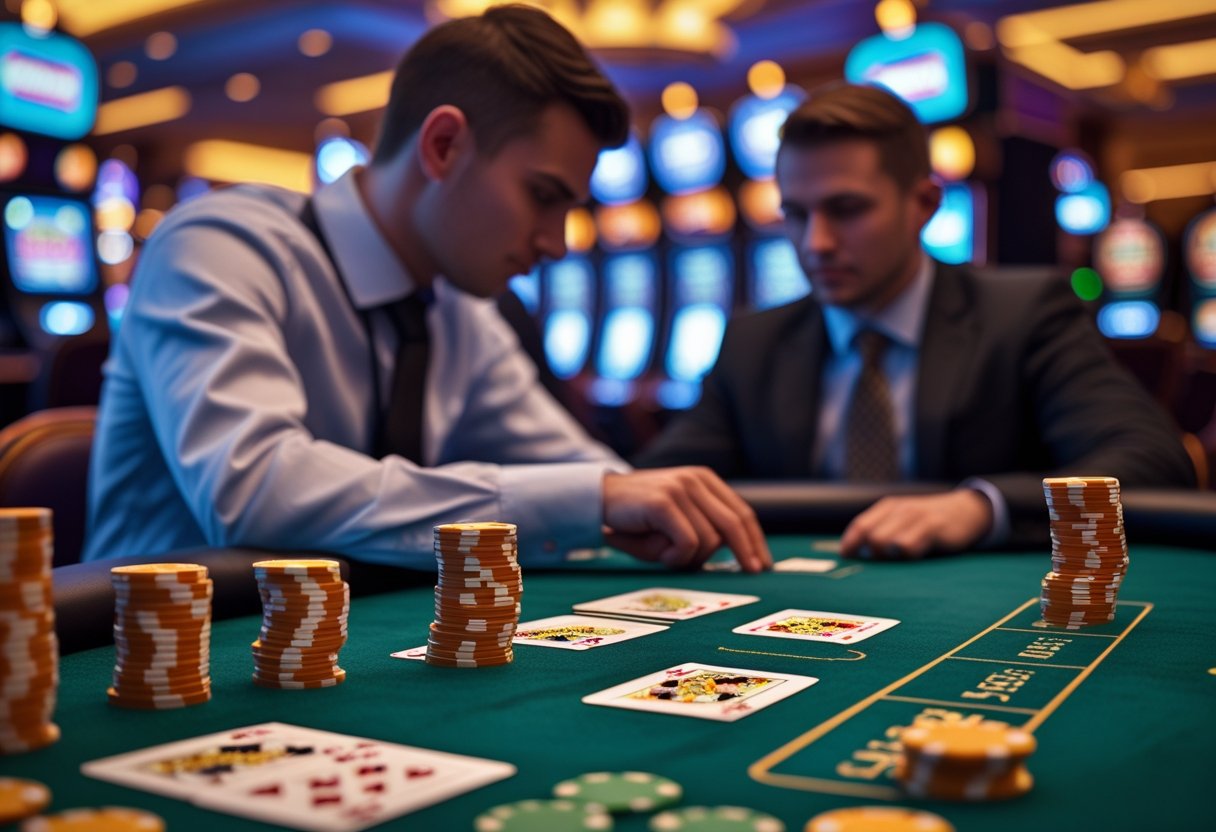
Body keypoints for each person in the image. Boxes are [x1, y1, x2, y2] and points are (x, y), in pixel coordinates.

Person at [84, 5, 770, 573]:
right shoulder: (219, 245)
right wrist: (591, 496)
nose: (557, 243)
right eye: (542, 197)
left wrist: (640, 499)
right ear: (444, 146)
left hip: (336, 650)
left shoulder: (458, 310)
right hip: (152, 659)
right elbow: (256, 488)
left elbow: (583, 472)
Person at [634, 82, 1194, 557]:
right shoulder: (752, 340)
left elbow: (1151, 459)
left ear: (924, 204)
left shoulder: (1024, 313)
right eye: (797, 215)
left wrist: (982, 505)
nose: (816, 243)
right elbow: (661, 483)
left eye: (847, 209)